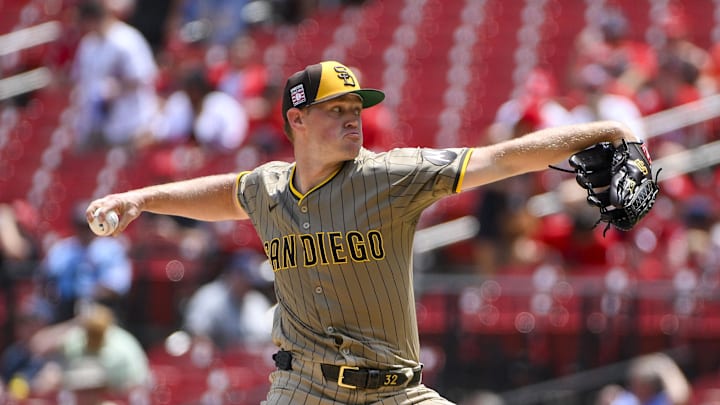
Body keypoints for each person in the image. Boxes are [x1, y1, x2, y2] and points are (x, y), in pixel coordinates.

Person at [87, 60, 643, 404]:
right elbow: (223, 194)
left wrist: (606, 130)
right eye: (337, 109)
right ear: (297, 121)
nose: (354, 117)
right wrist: (142, 198)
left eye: (358, 107)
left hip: (396, 392)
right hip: (301, 389)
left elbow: (497, 160)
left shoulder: (391, 176)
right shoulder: (268, 187)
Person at [69, 0, 159, 150]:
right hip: (97, 123)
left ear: (93, 19)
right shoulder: (88, 44)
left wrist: (116, 87)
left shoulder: (127, 39)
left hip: (130, 122)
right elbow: (80, 80)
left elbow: (145, 77)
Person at [29, 303, 150, 404]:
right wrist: (75, 322)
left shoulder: (123, 346)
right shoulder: (78, 338)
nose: (93, 332)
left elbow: (137, 384)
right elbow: (37, 344)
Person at [41, 204, 133, 323]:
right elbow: (46, 279)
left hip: (101, 308)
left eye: (88, 225)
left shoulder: (112, 249)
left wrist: (85, 292)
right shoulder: (61, 249)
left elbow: (118, 286)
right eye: (80, 226)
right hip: (66, 309)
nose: (85, 230)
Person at [182, 249, 273, 350]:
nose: (249, 285)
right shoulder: (209, 297)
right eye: (246, 280)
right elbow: (195, 336)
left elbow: (268, 340)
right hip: (217, 362)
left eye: (251, 282)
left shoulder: (257, 301)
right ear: (234, 275)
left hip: (251, 362)